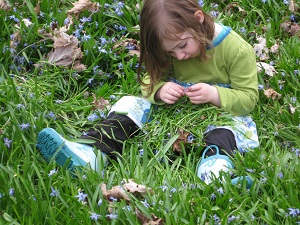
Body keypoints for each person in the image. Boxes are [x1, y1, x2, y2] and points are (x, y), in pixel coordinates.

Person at [37, 0, 259, 186]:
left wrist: (214, 94)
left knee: (225, 130)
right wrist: (160, 90)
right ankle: (91, 152)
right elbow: (148, 80)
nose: (179, 56)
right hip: (172, 114)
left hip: (217, 112)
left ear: (198, 19)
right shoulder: (169, 44)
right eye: (170, 51)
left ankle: (215, 174)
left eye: (183, 46)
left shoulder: (236, 49)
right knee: (130, 105)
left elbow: (248, 99)